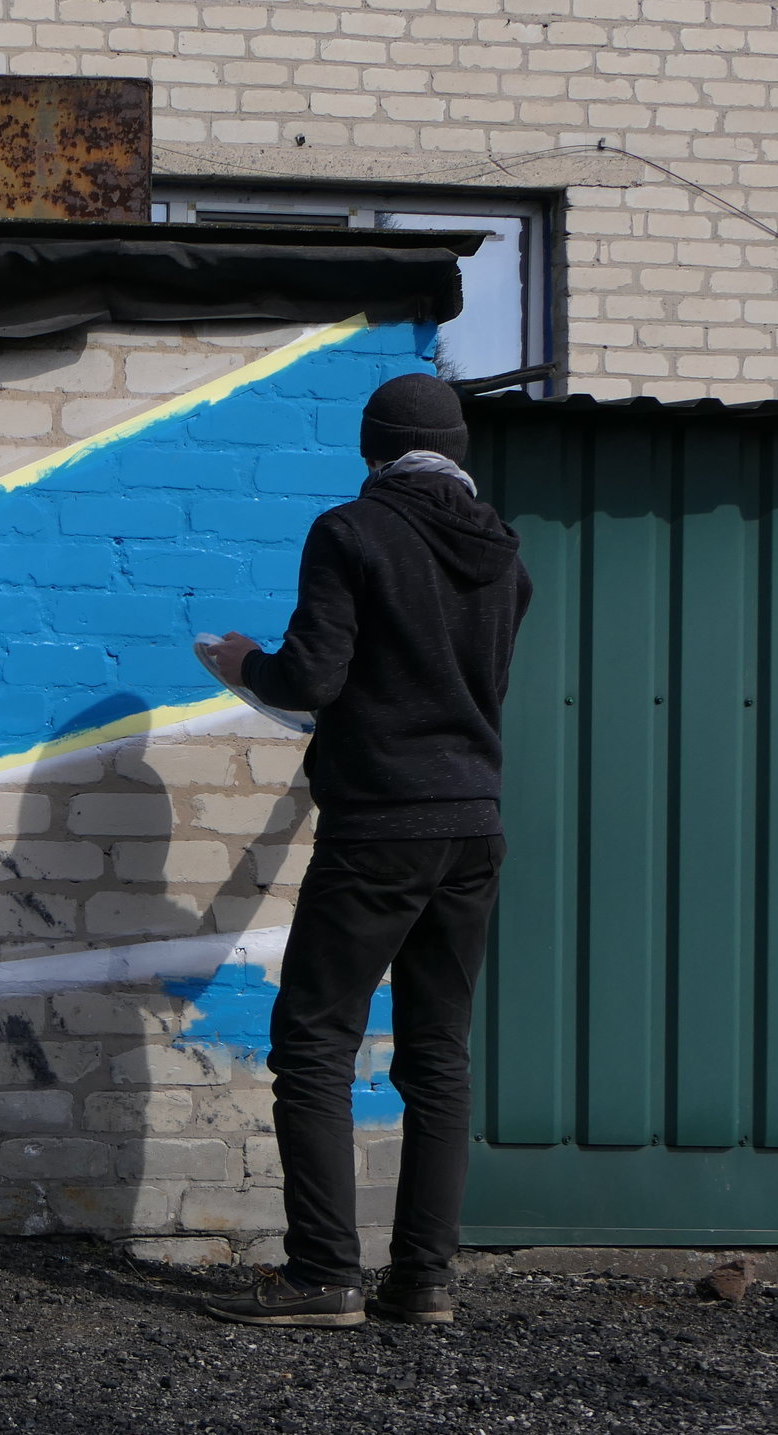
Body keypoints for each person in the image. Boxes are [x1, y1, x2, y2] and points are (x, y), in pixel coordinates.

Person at [198, 371, 529, 1329]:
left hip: (380, 828)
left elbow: (312, 677)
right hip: (472, 826)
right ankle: (423, 1281)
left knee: (312, 1043)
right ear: (457, 449)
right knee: (438, 1055)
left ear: (370, 447)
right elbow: (468, 686)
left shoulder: (350, 533)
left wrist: (240, 666)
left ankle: (323, 1276)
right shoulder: (506, 557)